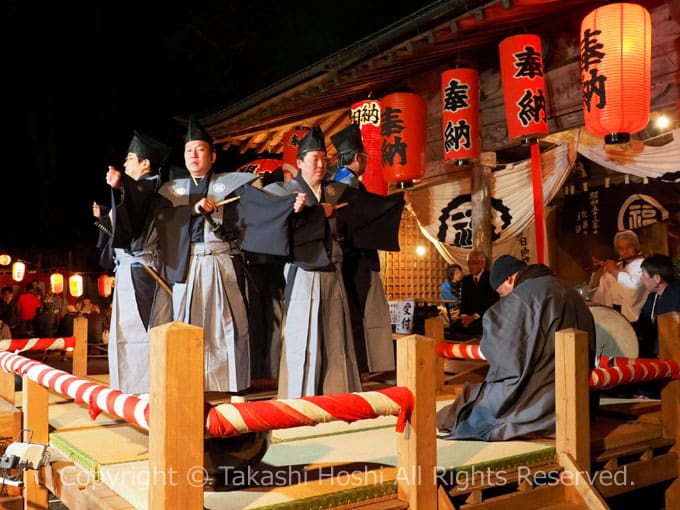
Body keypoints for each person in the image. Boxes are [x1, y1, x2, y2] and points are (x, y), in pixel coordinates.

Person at [155, 118, 296, 393]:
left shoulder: (232, 185)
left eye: (199, 149)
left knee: (228, 323)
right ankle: (188, 383)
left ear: (213, 155)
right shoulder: (172, 191)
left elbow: (263, 204)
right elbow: (160, 220)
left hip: (222, 262)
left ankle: (231, 383)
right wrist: (191, 210)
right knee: (187, 324)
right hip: (188, 265)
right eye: (188, 150)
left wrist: (291, 202)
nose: (193, 155)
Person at [265, 125, 405, 398]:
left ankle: (338, 396)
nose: (319, 164)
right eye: (313, 159)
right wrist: (305, 212)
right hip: (304, 273)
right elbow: (270, 221)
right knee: (302, 337)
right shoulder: (284, 192)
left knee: (337, 337)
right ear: (299, 163)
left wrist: (397, 201)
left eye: (323, 159)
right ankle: (300, 398)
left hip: (334, 272)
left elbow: (367, 208)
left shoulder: (335, 191)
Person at [437, 255, 596, 440]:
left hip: (539, 395)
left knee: (472, 407)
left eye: (501, 292)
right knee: (470, 397)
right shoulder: (569, 290)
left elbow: (504, 354)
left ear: (510, 278)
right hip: (579, 399)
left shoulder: (523, 297)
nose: (503, 296)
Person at [95, 131, 174, 394]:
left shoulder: (152, 186)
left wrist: (120, 186)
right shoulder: (139, 190)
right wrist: (106, 216)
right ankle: (129, 388)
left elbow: (139, 197)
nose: (126, 164)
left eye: (130, 159)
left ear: (145, 164)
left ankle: (146, 390)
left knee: (142, 330)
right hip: (130, 267)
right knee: (126, 331)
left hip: (144, 268)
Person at [330, 123, 405, 374]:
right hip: (356, 258)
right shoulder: (347, 186)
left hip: (346, 256)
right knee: (360, 312)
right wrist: (394, 202)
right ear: (355, 157)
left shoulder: (334, 185)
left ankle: (360, 364)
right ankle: (362, 365)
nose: (367, 162)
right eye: (365, 157)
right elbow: (362, 213)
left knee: (352, 311)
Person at [590, 229, 647, 322]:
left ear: (636, 247)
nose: (625, 252)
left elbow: (634, 290)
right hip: (613, 315)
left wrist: (615, 272)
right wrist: (598, 274)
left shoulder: (644, 264)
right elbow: (598, 292)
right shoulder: (617, 265)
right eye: (620, 248)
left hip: (636, 319)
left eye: (629, 247)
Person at [635, 254, 680, 358]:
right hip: (656, 352)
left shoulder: (676, 293)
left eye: (643, 275)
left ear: (657, 278)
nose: (641, 279)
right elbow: (643, 322)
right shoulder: (653, 296)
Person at [449, 249, 498, 338]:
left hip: (483, 317)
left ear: (482, 263)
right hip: (467, 317)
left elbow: (491, 302)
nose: (470, 266)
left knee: (475, 329)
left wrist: (474, 317)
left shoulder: (491, 278)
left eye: (474, 263)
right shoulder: (466, 279)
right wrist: (464, 316)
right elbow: (464, 301)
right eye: (469, 263)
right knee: (452, 328)